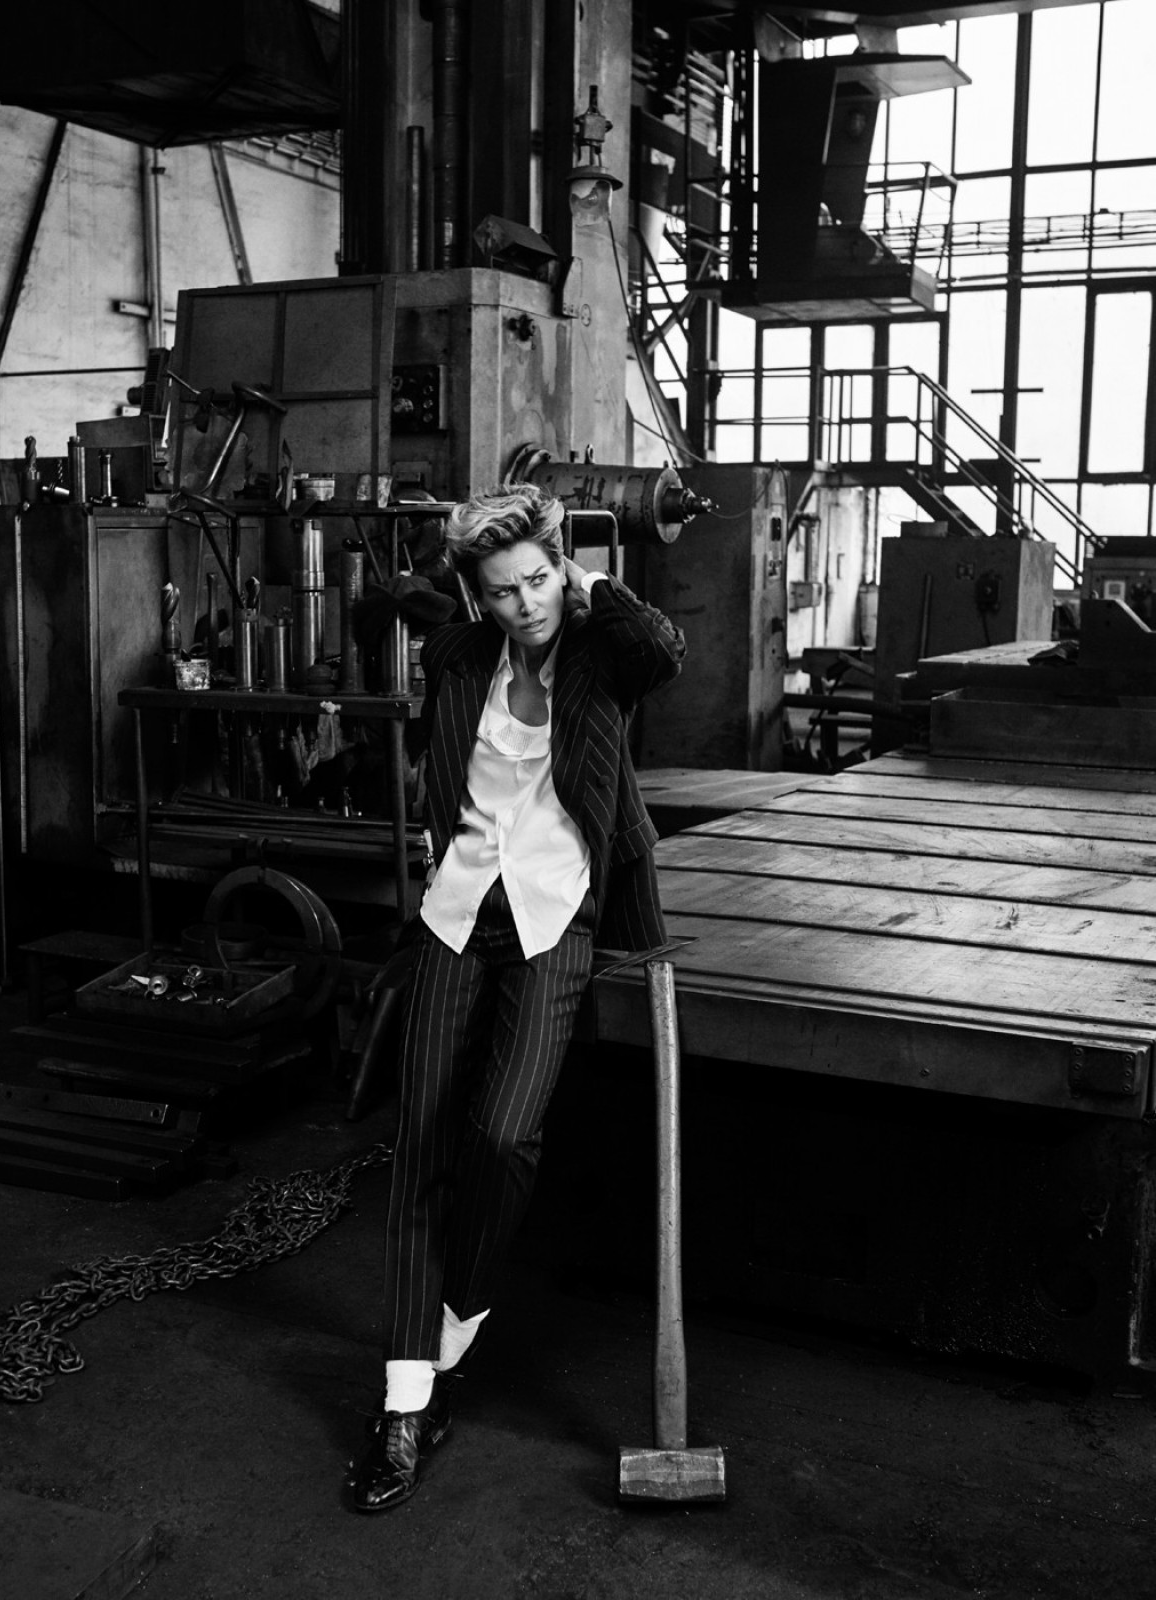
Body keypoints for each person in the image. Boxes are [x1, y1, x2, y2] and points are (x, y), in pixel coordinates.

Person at [349, 482, 685, 1512]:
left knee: (500, 1135)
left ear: (558, 568)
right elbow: (401, 633)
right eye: (502, 590)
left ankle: (458, 1317)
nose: (524, 604)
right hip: (456, 913)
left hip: (556, 916)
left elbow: (661, 649)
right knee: (420, 1145)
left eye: (537, 580)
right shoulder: (459, 657)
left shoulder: (600, 653)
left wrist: (589, 582)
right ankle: (404, 1403)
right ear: (477, 597)